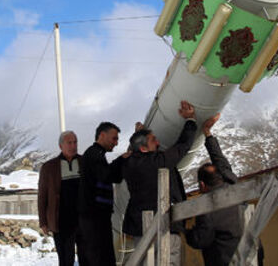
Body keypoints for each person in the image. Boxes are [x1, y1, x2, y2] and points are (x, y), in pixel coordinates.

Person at [122, 100, 202, 266]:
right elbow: (182, 146)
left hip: (140, 230)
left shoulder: (128, 163)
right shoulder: (158, 162)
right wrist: (191, 120)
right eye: (153, 141)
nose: (158, 143)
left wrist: (140, 136)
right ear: (144, 148)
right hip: (165, 228)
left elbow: (135, 152)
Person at [185, 112, 254, 266]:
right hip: (253, 257)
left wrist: (185, 230)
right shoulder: (233, 183)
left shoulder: (207, 208)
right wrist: (207, 133)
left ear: (202, 185)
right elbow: (220, 161)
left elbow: (201, 240)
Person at [78, 121, 126, 266]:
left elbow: (115, 177)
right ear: (102, 135)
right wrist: (121, 160)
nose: (116, 143)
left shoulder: (99, 155)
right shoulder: (93, 154)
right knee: (98, 257)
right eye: (114, 138)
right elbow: (106, 175)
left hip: (99, 217)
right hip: (92, 218)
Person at [38, 130, 85, 266]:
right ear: (60, 146)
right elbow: (42, 196)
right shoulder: (49, 167)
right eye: (69, 143)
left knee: (87, 257)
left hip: (83, 220)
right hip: (61, 221)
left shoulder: (84, 163)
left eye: (75, 142)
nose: (73, 146)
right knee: (65, 260)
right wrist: (43, 221)